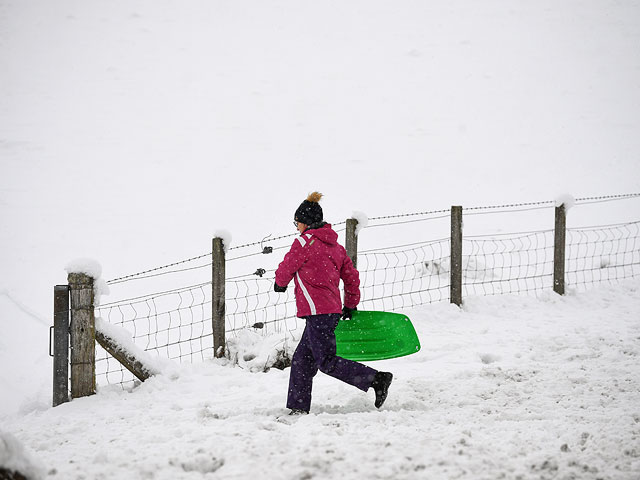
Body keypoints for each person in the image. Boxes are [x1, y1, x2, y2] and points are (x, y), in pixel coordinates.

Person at [274, 192, 393, 415]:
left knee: (326, 361)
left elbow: (287, 267)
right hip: (329, 311)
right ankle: (298, 408)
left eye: (297, 223)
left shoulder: (303, 242)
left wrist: (279, 283)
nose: (296, 227)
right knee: (302, 361)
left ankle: (377, 379)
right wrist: (350, 303)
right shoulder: (336, 248)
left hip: (318, 312)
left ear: (305, 222)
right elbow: (351, 277)